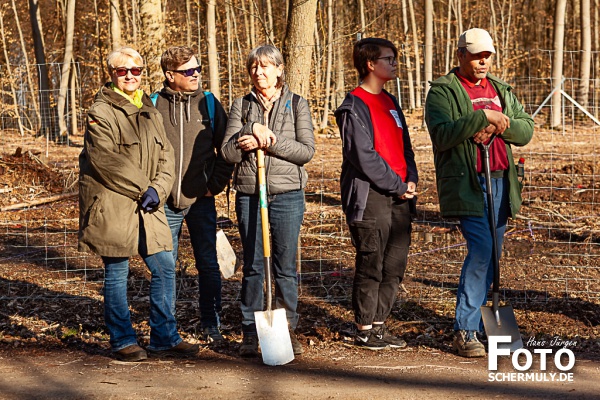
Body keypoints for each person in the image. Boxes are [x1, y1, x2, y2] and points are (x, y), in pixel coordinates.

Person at [78, 46, 199, 362]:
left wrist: (158, 189)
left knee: (164, 266)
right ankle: (122, 340)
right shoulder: (100, 112)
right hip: (115, 205)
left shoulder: (150, 109)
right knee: (117, 272)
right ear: (112, 74)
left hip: (149, 204)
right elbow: (107, 161)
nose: (130, 76)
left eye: (136, 70)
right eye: (122, 70)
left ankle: (164, 337)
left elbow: (167, 155)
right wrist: (144, 187)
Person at [425, 28, 534, 357]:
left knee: (492, 254)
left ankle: (482, 324)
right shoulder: (444, 91)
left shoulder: (501, 89)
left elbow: (525, 128)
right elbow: (442, 135)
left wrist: (501, 123)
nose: (483, 60)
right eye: (476, 55)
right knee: (483, 250)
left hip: (502, 180)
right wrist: (481, 117)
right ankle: (465, 331)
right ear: (460, 55)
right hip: (468, 182)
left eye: (487, 55)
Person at [221, 44, 315, 357]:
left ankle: (286, 328)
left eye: (265, 67)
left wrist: (269, 142)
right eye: (254, 68)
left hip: (288, 194)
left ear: (278, 69)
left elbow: (305, 151)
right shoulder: (241, 105)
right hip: (250, 193)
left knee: (285, 266)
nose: (259, 73)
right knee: (253, 266)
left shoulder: (297, 104)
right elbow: (228, 152)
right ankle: (250, 331)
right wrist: (250, 128)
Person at [334, 38, 418, 350]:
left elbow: (405, 147)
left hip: (400, 196)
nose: (395, 63)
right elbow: (363, 156)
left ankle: (381, 326)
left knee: (394, 265)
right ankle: (365, 328)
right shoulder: (353, 106)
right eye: (389, 58)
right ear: (370, 64)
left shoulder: (392, 102)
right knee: (372, 262)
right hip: (372, 197)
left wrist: (410, 178)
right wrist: (396, 184)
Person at [153, 46, 233, 344]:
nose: (196, 74)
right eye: (188, 71)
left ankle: (211, 324)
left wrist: (215, 185)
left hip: (202, 200)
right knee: (164, 267)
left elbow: (227, 149)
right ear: (170, 75)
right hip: (164, 204)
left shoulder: (210, 104)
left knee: (209, 265)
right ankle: (166, 331)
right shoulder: (152, 105)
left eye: (197, 68)